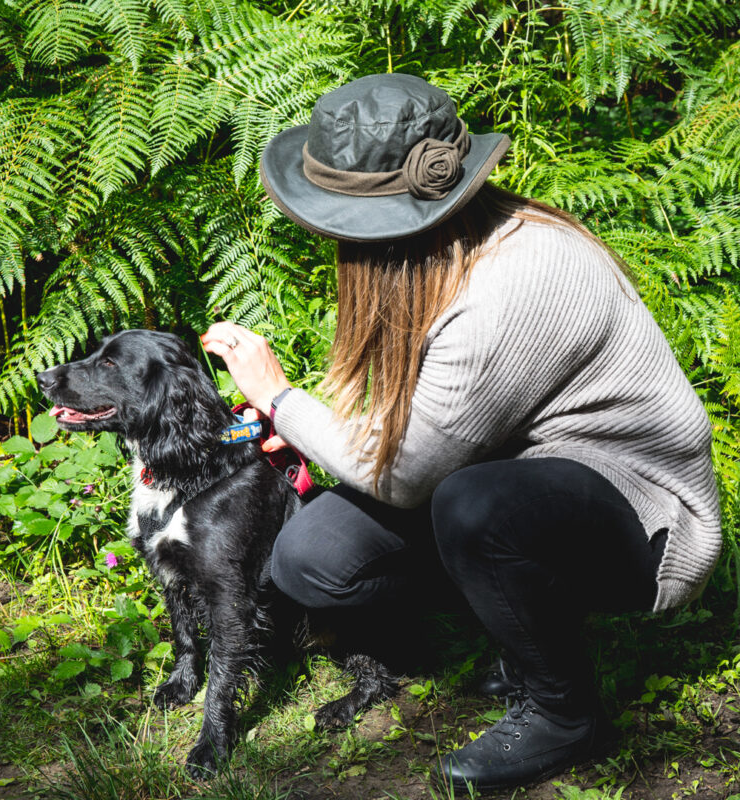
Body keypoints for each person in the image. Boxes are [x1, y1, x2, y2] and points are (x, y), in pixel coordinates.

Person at [200, 73, 721, 792]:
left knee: (475, 507)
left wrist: (279, 397)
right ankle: (513, 612)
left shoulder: (509, 285)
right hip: (508, 474)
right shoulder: (444, 253)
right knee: (313, 559)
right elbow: (409, 438)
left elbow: (403, 474)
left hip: (637, 513)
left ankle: (564, 711)